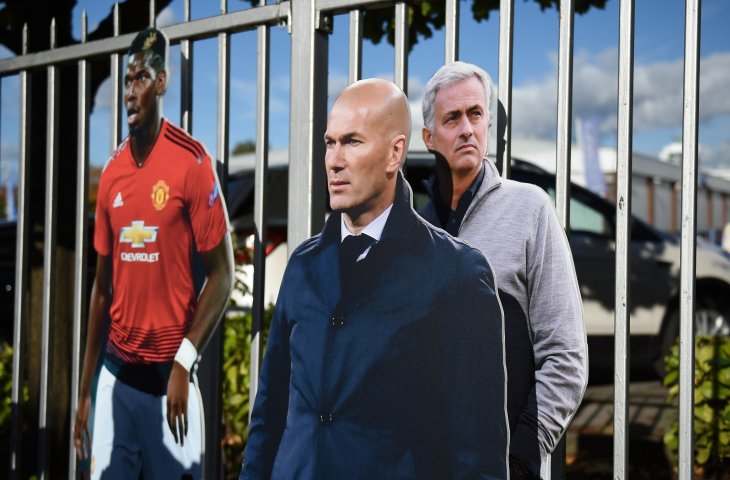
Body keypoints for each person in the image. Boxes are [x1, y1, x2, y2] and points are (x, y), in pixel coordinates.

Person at [240, 78, 507, 479]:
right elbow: (270, 411)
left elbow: (477, 453)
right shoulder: (303, 265)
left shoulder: (456, 274)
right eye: (330, 143)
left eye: (352, 142)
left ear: (394, 153)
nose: (334, 160)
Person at [73, 27, 234, 479]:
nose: (130, 92)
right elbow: (101, 290)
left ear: (162, 83)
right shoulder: (111, 173)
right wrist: (86, 391)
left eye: (141, 78)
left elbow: (223, 274)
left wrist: (185, 358)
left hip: (171, 383)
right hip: (116, 378)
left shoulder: (192, 162)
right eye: (126, 81)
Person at [418, 61, 588, 479]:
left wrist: (521, 458)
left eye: (475, 114)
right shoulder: (412, 230)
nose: (467, 129)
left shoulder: (530, 208)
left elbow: (566, 356)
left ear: (489, 123)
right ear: (428, 137)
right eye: (452, 118)